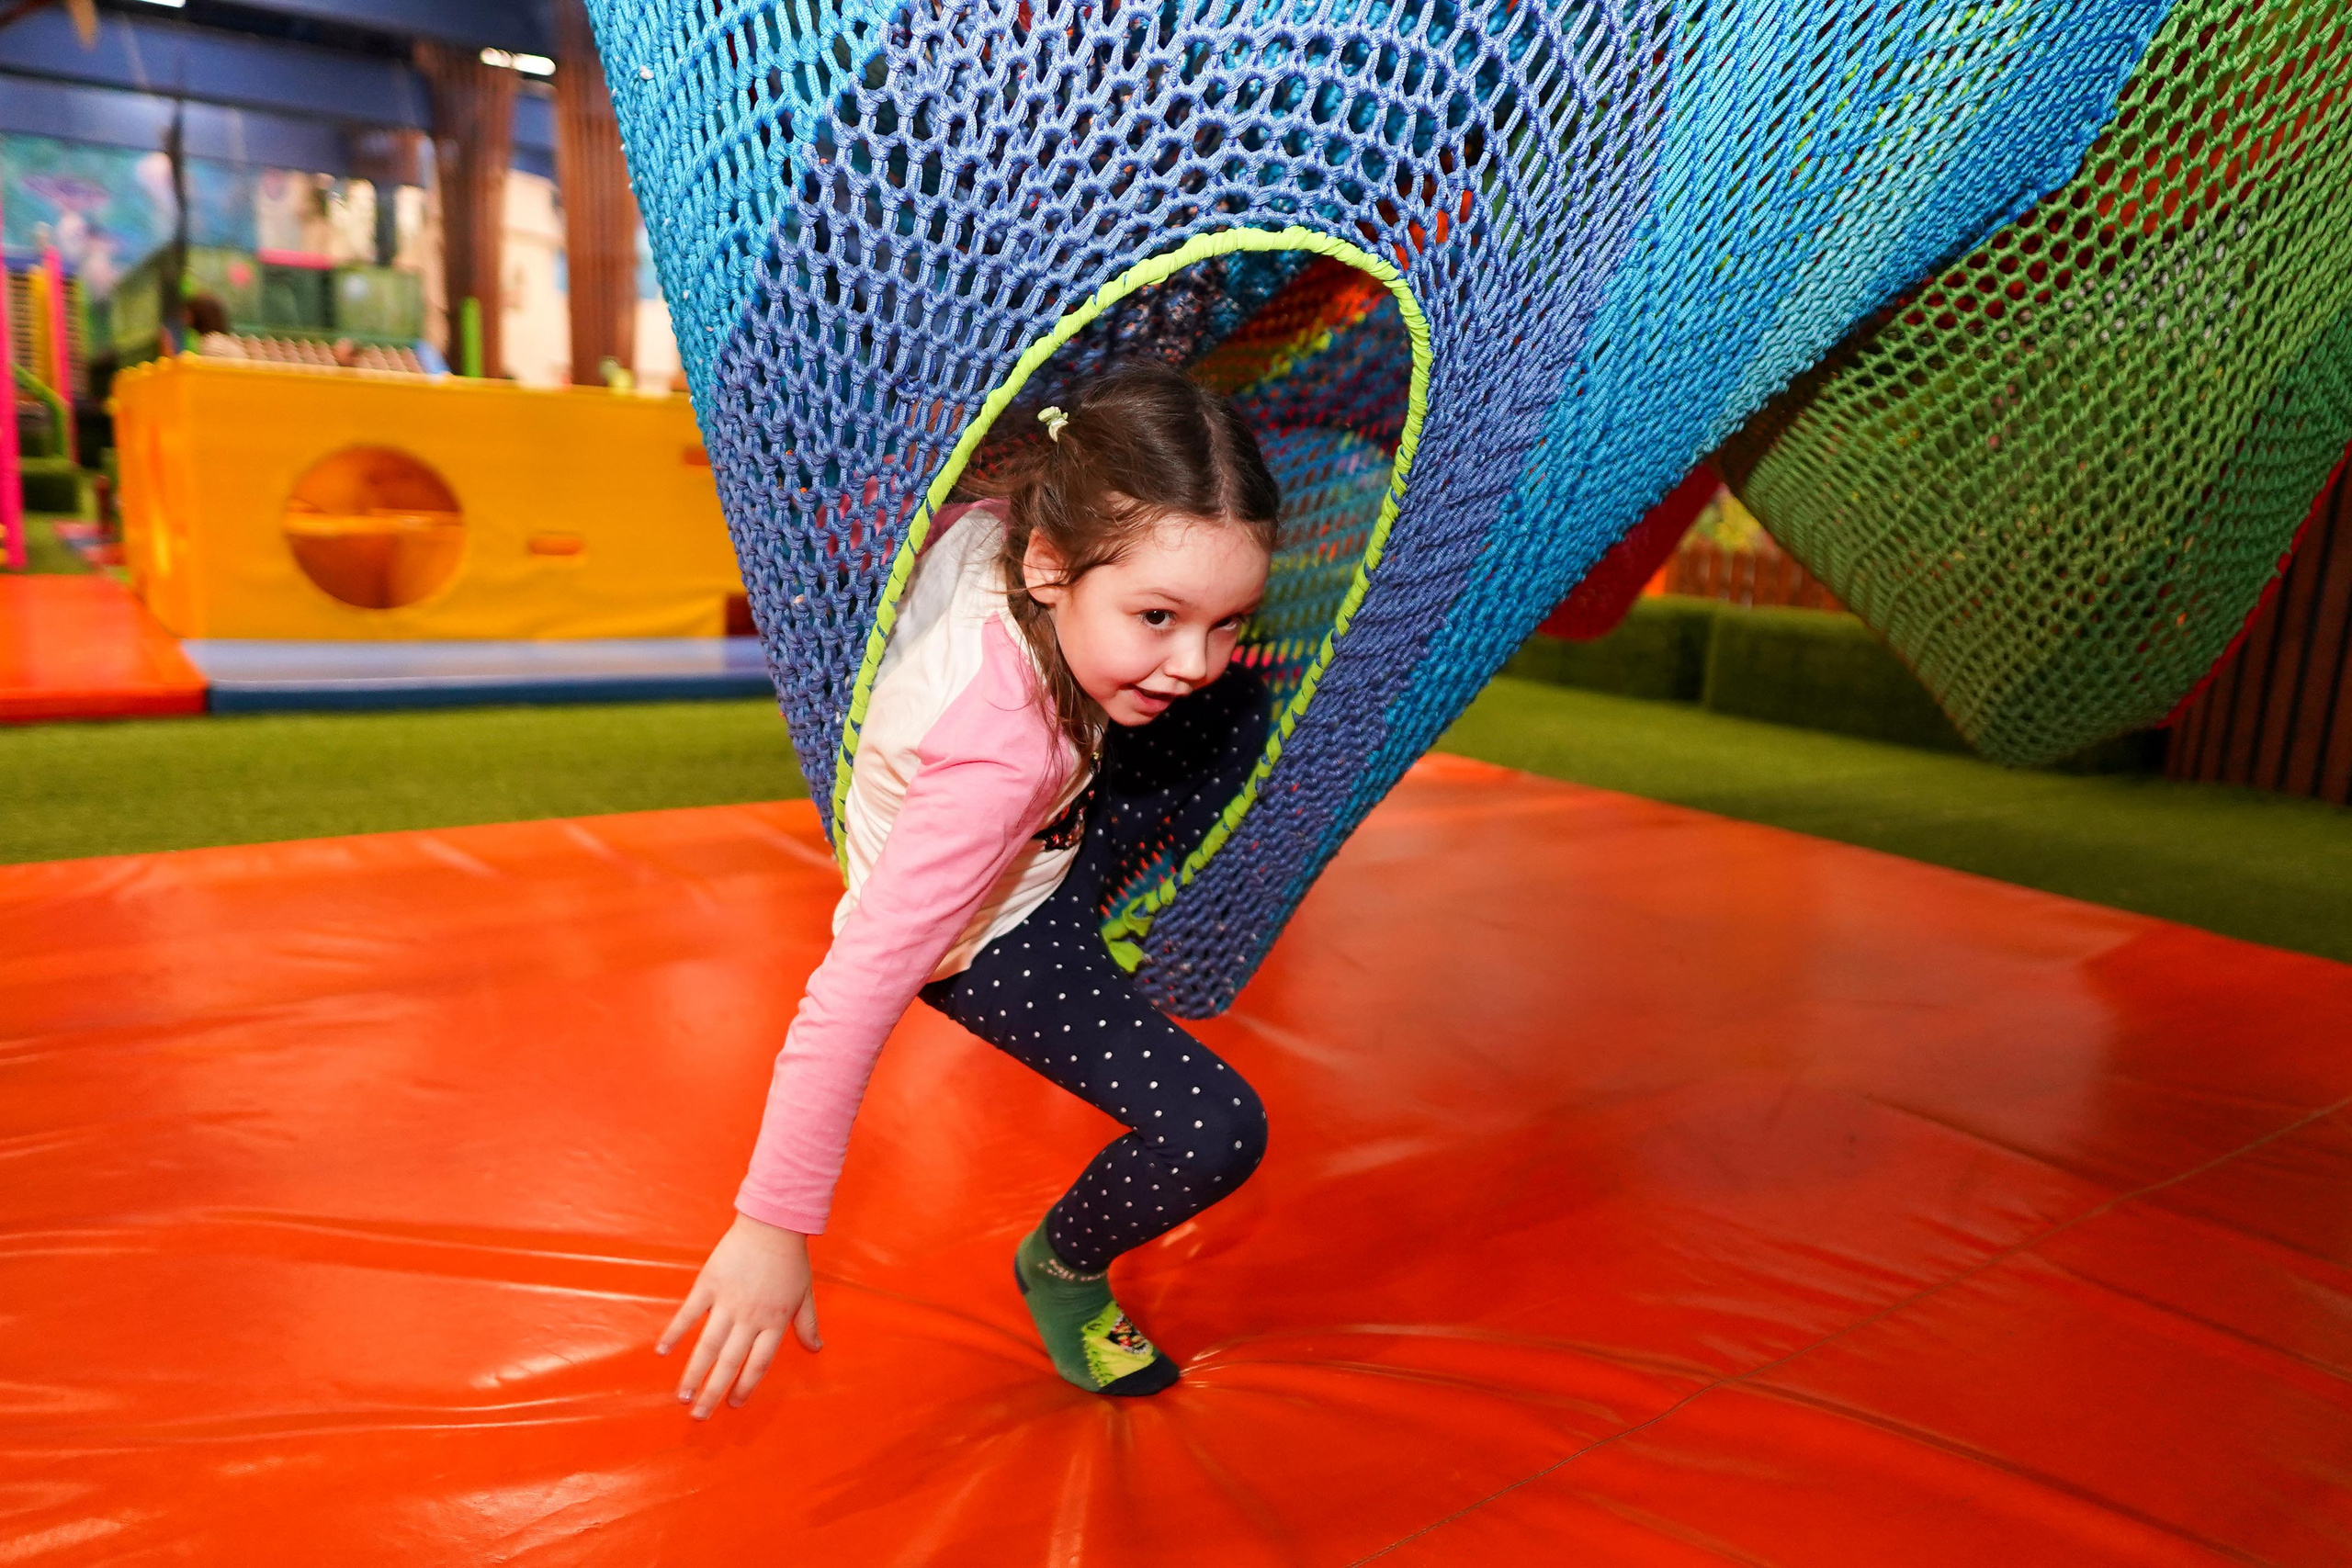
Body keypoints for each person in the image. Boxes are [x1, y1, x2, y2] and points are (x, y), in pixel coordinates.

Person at [658, 360, 1282, 1414]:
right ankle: (1065, 1266)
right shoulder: (998, 769)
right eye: (1162, 618)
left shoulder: (1003, 524)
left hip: (1054, 814)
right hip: (1000, 926)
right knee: (1216, 1129)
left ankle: (1115, 874)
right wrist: (771, 1224)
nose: (1195, 658)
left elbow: (965, 530)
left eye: (1225, 621)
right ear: (1048, 570)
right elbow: (852, 993)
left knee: (1236, 707)